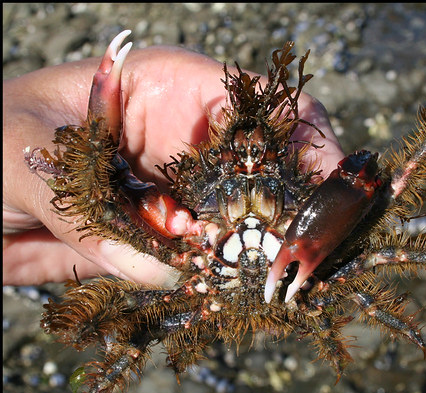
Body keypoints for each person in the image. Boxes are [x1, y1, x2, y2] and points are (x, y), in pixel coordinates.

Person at [3, 44, 343, 288]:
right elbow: (109, 195)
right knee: (100, 193)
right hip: (189, 273)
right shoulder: (176, 226)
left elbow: (382, 182)